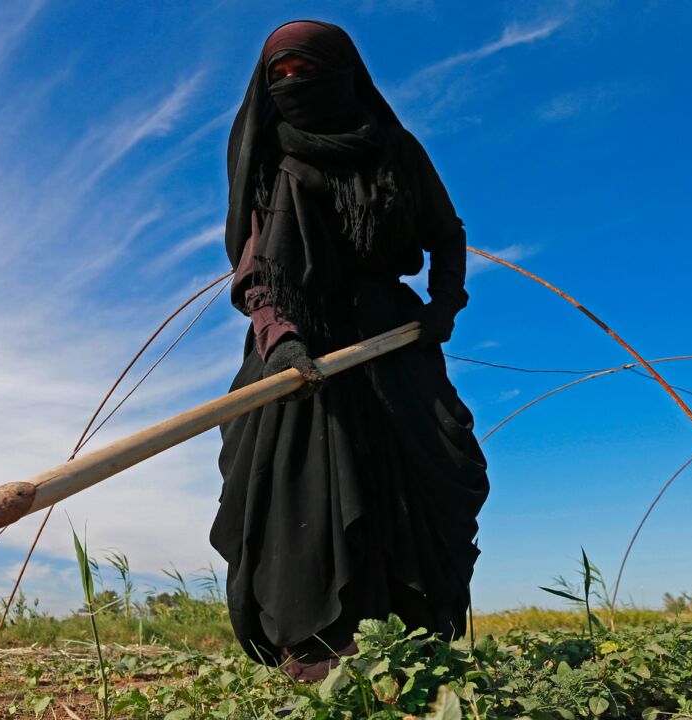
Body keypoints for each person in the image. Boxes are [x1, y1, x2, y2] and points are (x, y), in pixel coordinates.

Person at [210, 19, 490, 681]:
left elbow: (446, 233)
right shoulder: (269, 155)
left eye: (305, 71)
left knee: (422, 477)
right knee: (295, 483)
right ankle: (314, 660)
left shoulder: (395, 149)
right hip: (296, 342)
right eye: (278, 75)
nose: (291, 86)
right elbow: (258, 268)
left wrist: (444, 304)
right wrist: (280, 342)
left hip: (392, 340)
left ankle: (417, 650)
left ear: (344, 73)